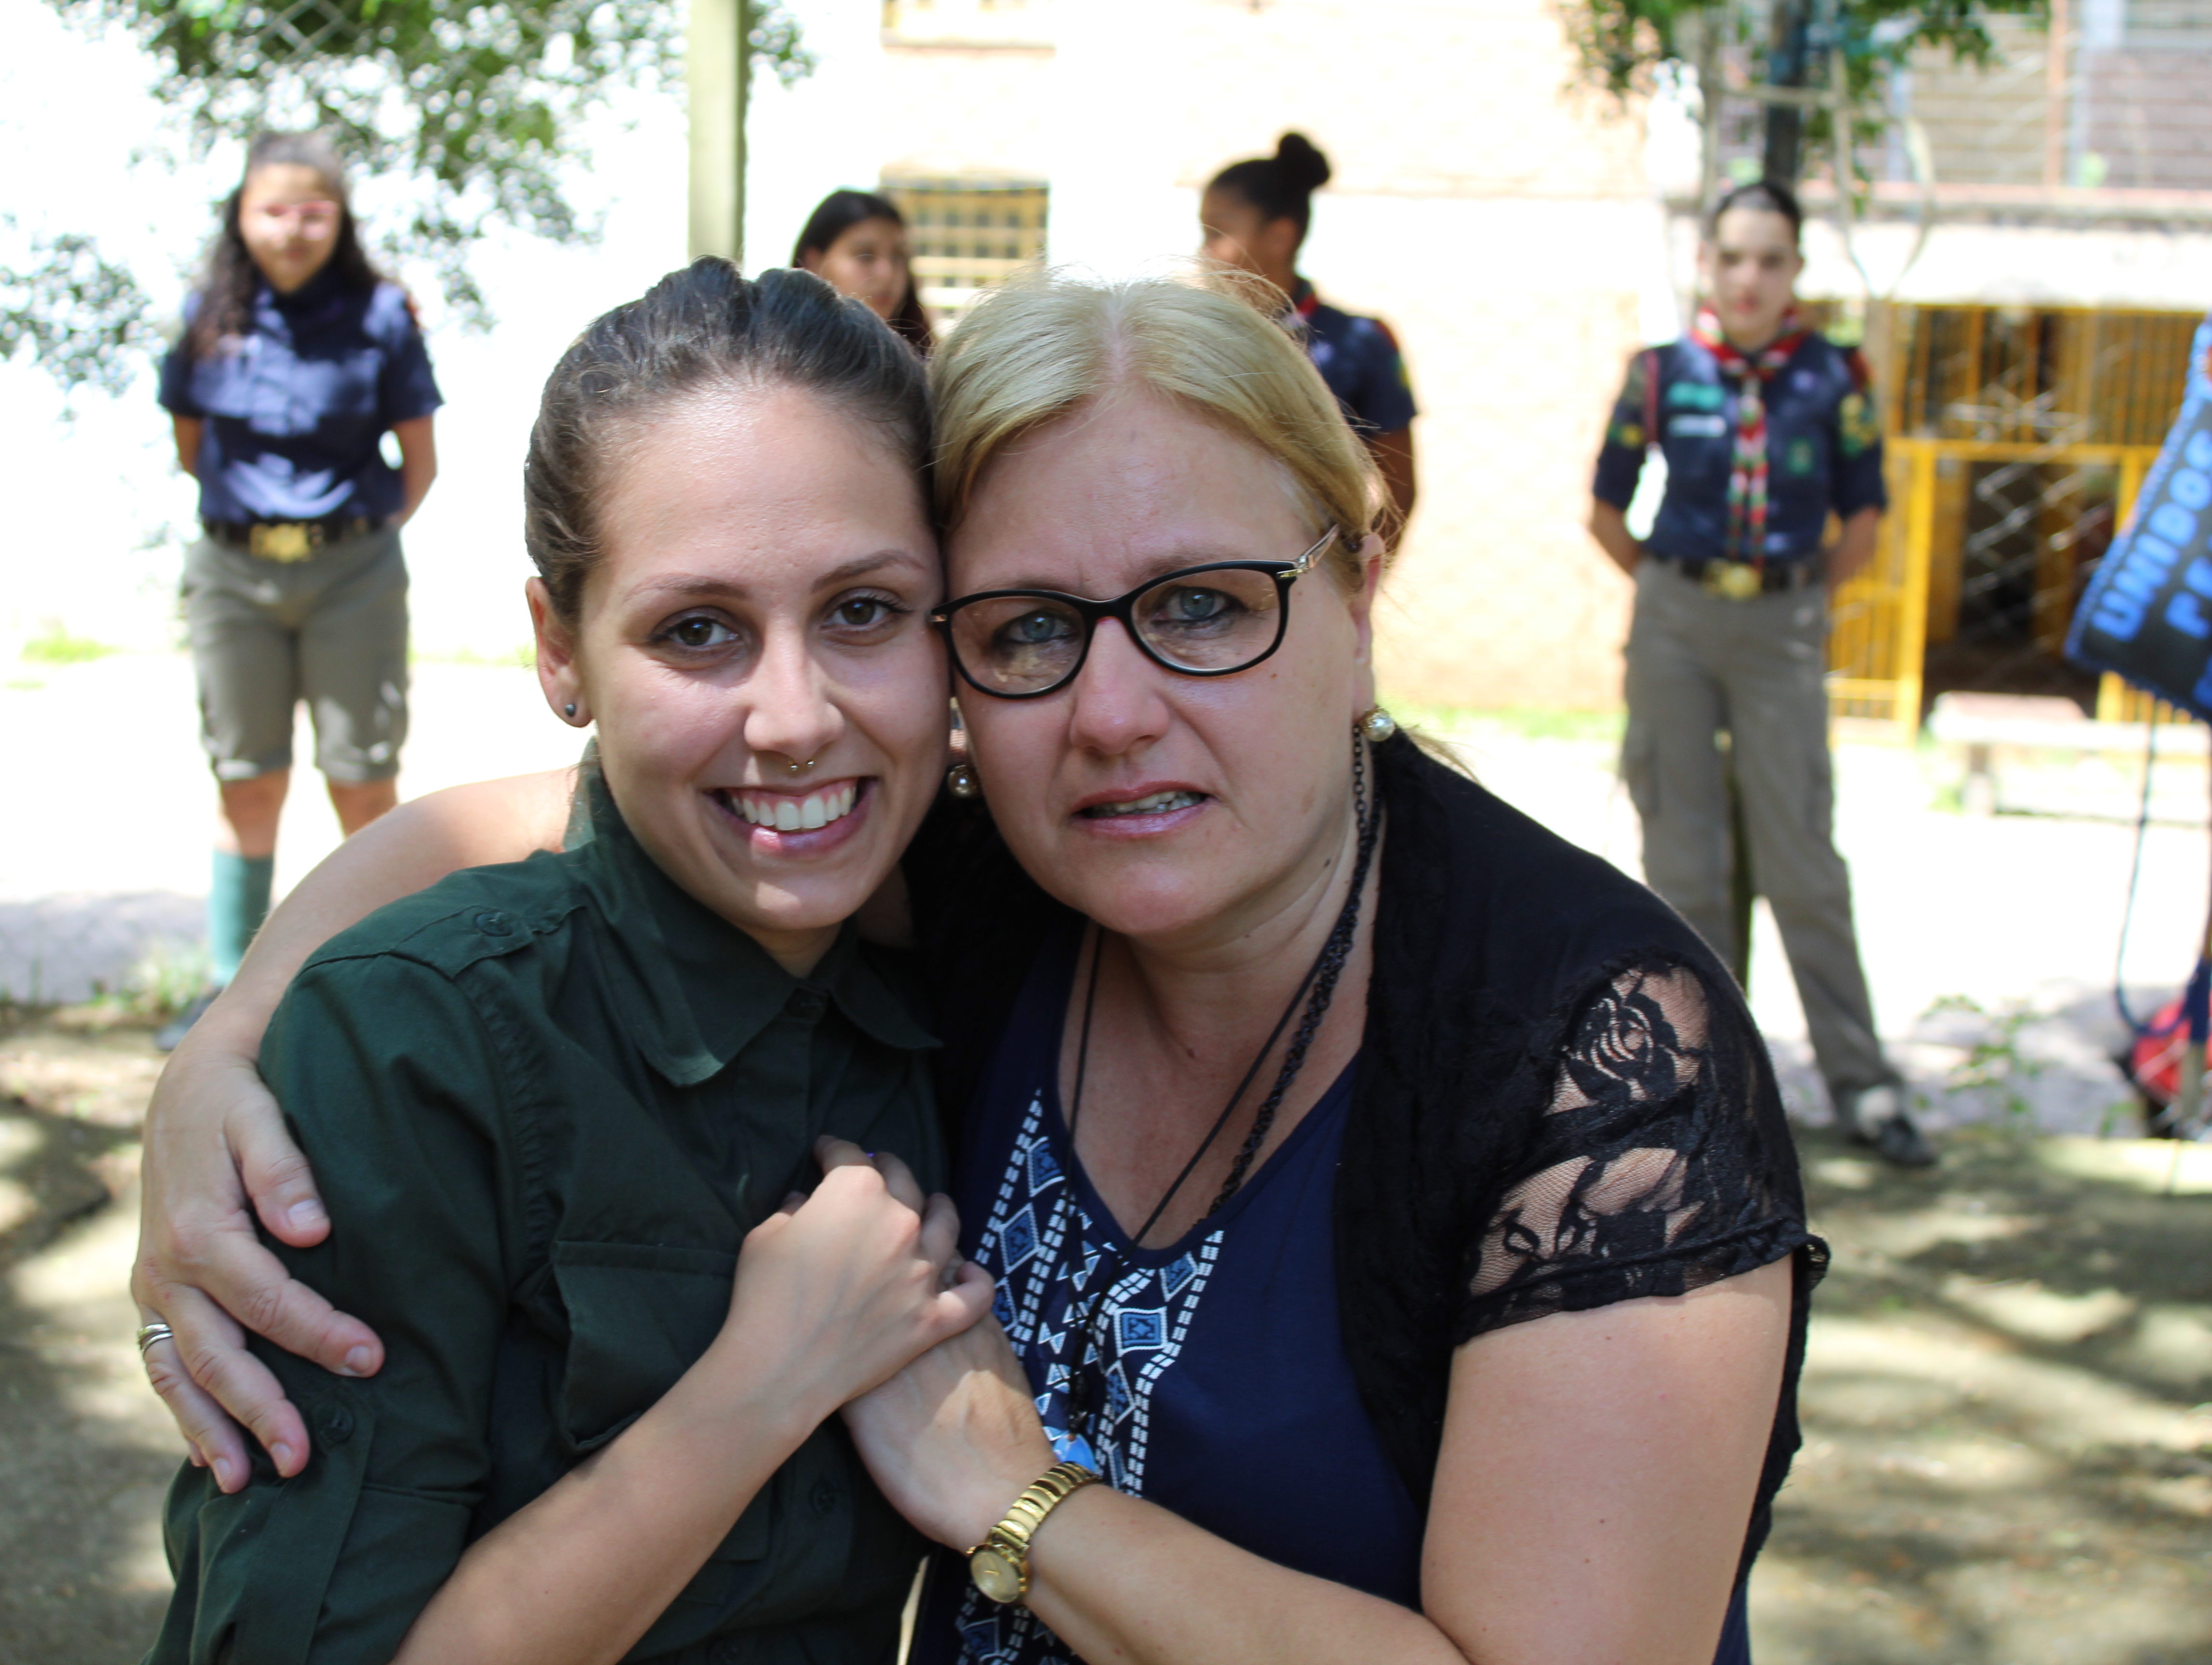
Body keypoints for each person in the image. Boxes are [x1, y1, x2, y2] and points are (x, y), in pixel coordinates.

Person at [136, 267, 1824, 1665]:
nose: (1112, 710)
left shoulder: (1592, 1060)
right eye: (1028, 628)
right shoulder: (1002, 881)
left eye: (1205, 605)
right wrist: (229, 1048)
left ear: (1360, 588)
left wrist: (1017, 1499)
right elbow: (533, 829)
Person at [142, 260, 989, 1665]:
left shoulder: (990, 955)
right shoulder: (415, 1047)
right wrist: (764, 1383)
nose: (794, 717)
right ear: (560, 648)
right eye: (696, 630)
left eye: (864, 610)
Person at [1587, 179, 1931, 1169]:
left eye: (1770, 260)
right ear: (1704, 262)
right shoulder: (1660, 372)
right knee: (1682, 857)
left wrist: (1793, 599)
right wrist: (1673, 595)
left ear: (1795, 272)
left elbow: (1862, 520)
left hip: (1783, 620)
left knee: (1801, 857)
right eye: (1731, 257)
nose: (1748, 278)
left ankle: (1861, 1083)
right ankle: (1696, 1089)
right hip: (1676, 615)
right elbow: (1605, 509)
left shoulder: (1832, 377)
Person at [152, 131, 443, 1052]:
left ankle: (382, 986)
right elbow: (192, 446)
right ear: (241, 218)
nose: (292, 229)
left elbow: (419, 461)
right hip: (233, 573)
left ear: (340, 219)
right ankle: (227, 991)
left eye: (313, 211)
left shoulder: (383, 316)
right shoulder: (207, 315)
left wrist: (346, 538)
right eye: (271, 210)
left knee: (361, 780)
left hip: (352, 571)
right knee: (247, 781)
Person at [1200, 132, 1417, 549]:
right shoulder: (1196, 337)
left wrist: (1354, 579)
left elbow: (1401, 489)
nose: (1204, 252)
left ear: (1280, 237)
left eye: (1218, 232)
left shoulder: (1360, 343)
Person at [792, 188, 935, 354]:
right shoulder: (778, 355)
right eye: (865, 255)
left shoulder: (927, 363)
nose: (887, 274)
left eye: (898, 257)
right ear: (813, 262)